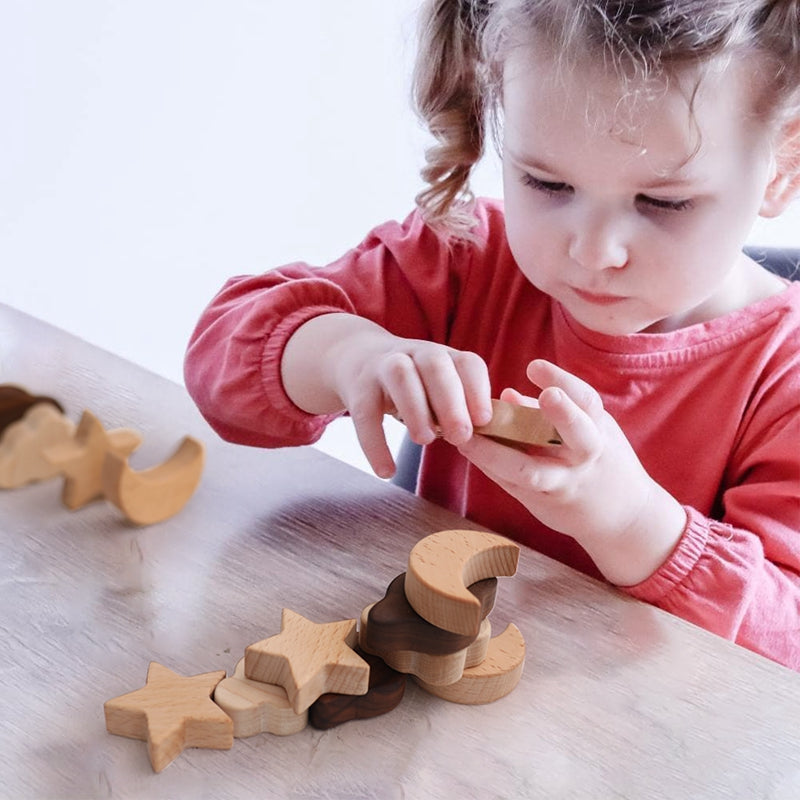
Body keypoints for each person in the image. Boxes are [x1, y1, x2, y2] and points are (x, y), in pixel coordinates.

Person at [184, 0, 800, 670]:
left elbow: (785, 634)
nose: (593, 251)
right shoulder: (465, 257)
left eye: (662, 202)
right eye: (548, 182)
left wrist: (626, 521)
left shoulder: (784, 375)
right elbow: (225, 360)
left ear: (780, 168)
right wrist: (347, 355)